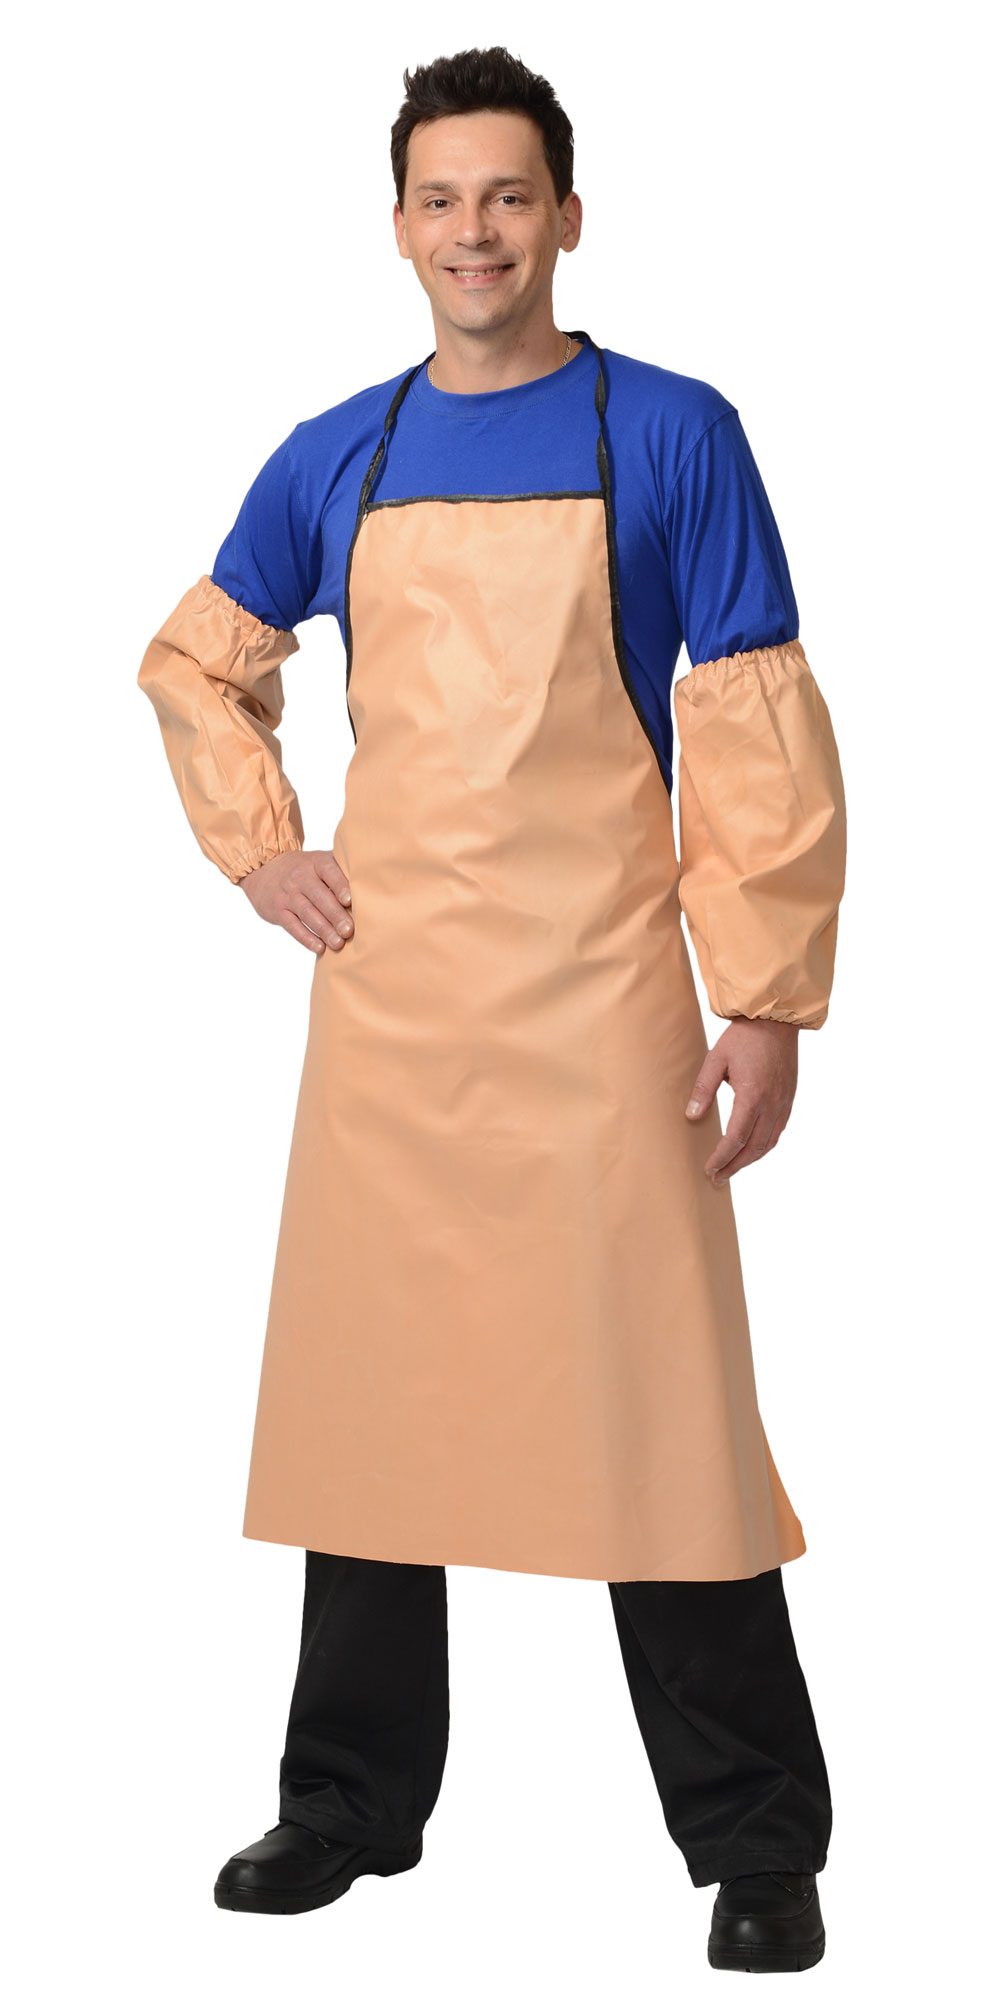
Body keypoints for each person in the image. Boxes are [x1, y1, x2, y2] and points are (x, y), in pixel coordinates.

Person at [137, 45, 846, 1973]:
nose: (477, 232)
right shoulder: (335, 454)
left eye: (509, 196)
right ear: (397, 228)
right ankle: (347, 1805)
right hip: (396, 1022)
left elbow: (751, 718)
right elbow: (199, 665)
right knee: (375, 1410)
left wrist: (764, 996)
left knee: (660, 1419)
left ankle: (759, 1839)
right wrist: (260, 851)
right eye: (442, 200)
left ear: (568, 217)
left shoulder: (675, 433)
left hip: (607, 1008)